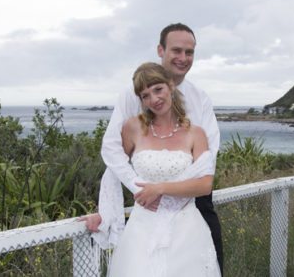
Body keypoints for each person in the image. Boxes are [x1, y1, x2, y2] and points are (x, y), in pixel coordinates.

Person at [80, 23, 223, 275]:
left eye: (189, 52)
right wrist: (112, 207)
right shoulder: (131, 96)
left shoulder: (201, 99)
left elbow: (208, 160)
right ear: (161, 50)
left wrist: (163, 191)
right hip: (144, 209)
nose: (183, 58)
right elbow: (113, 154)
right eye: (176, 50)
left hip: (193, 208)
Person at [110, 62, 221, 276]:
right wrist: (104, 213)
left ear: (170, 86)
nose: (154, 99)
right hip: (141, 230)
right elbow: (114, 170)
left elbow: (205, 185)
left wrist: (159, 188)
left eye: (158, 89)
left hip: (186, 231)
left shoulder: (196, 133)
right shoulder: (132, 128)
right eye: (145, 95)